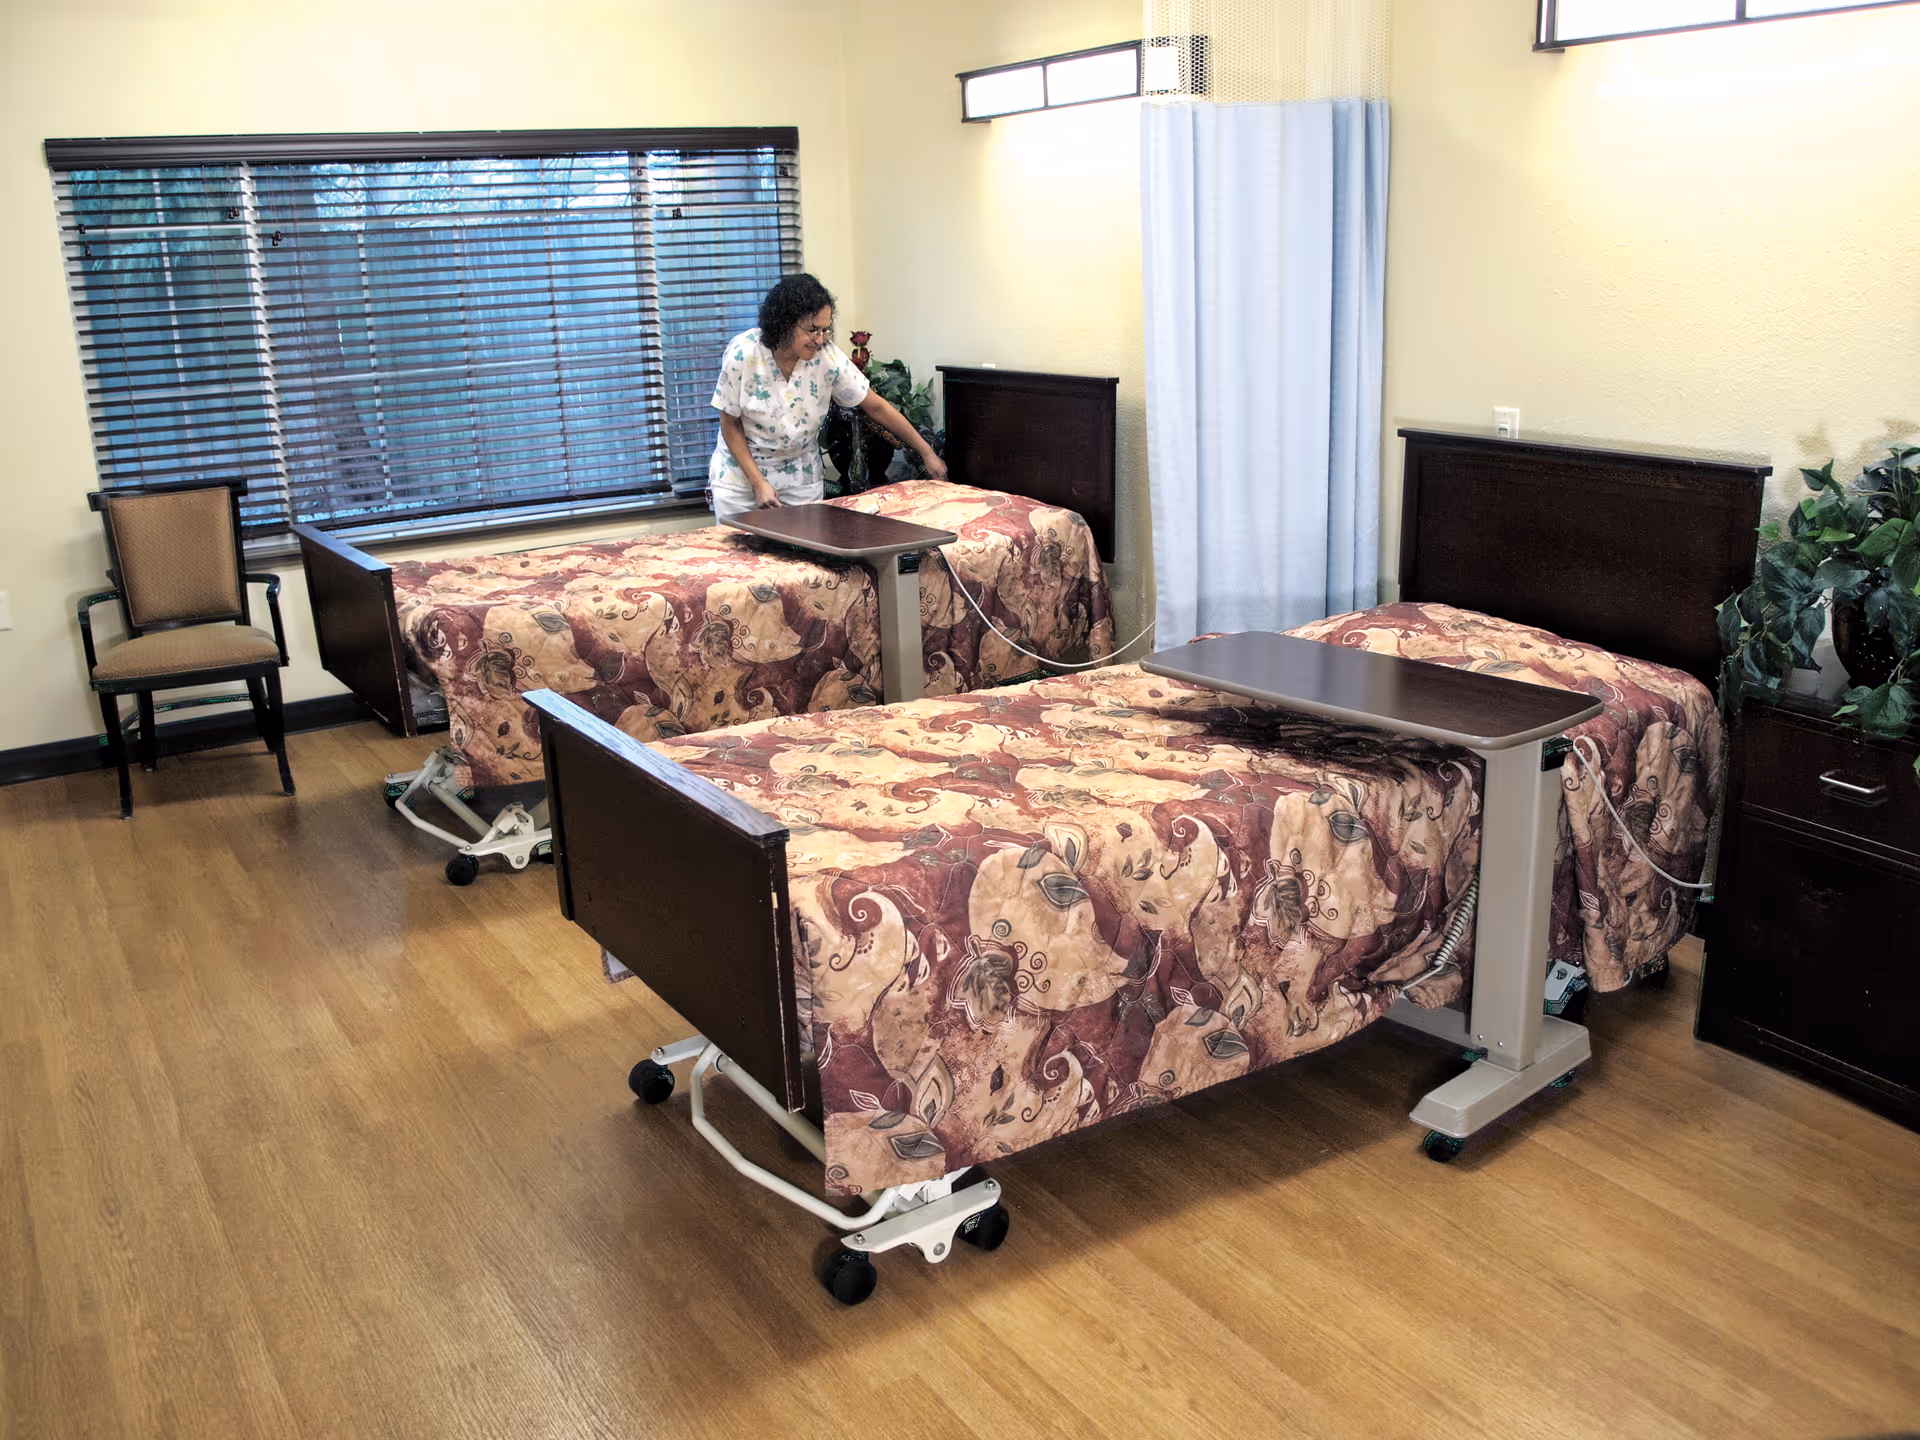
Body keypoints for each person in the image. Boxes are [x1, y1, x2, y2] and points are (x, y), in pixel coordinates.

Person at [707, 273, 947, 522]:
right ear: (785, 323)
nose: (820, 339)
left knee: (802, 555)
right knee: (740, 557)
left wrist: (926, 452)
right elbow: (730, 424)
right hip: (741, 479)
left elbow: (876, 407)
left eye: (825, 329)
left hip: (800, 477)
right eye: (812, 330)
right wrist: (758, 482)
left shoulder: (827, 357)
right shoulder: (743, 354)